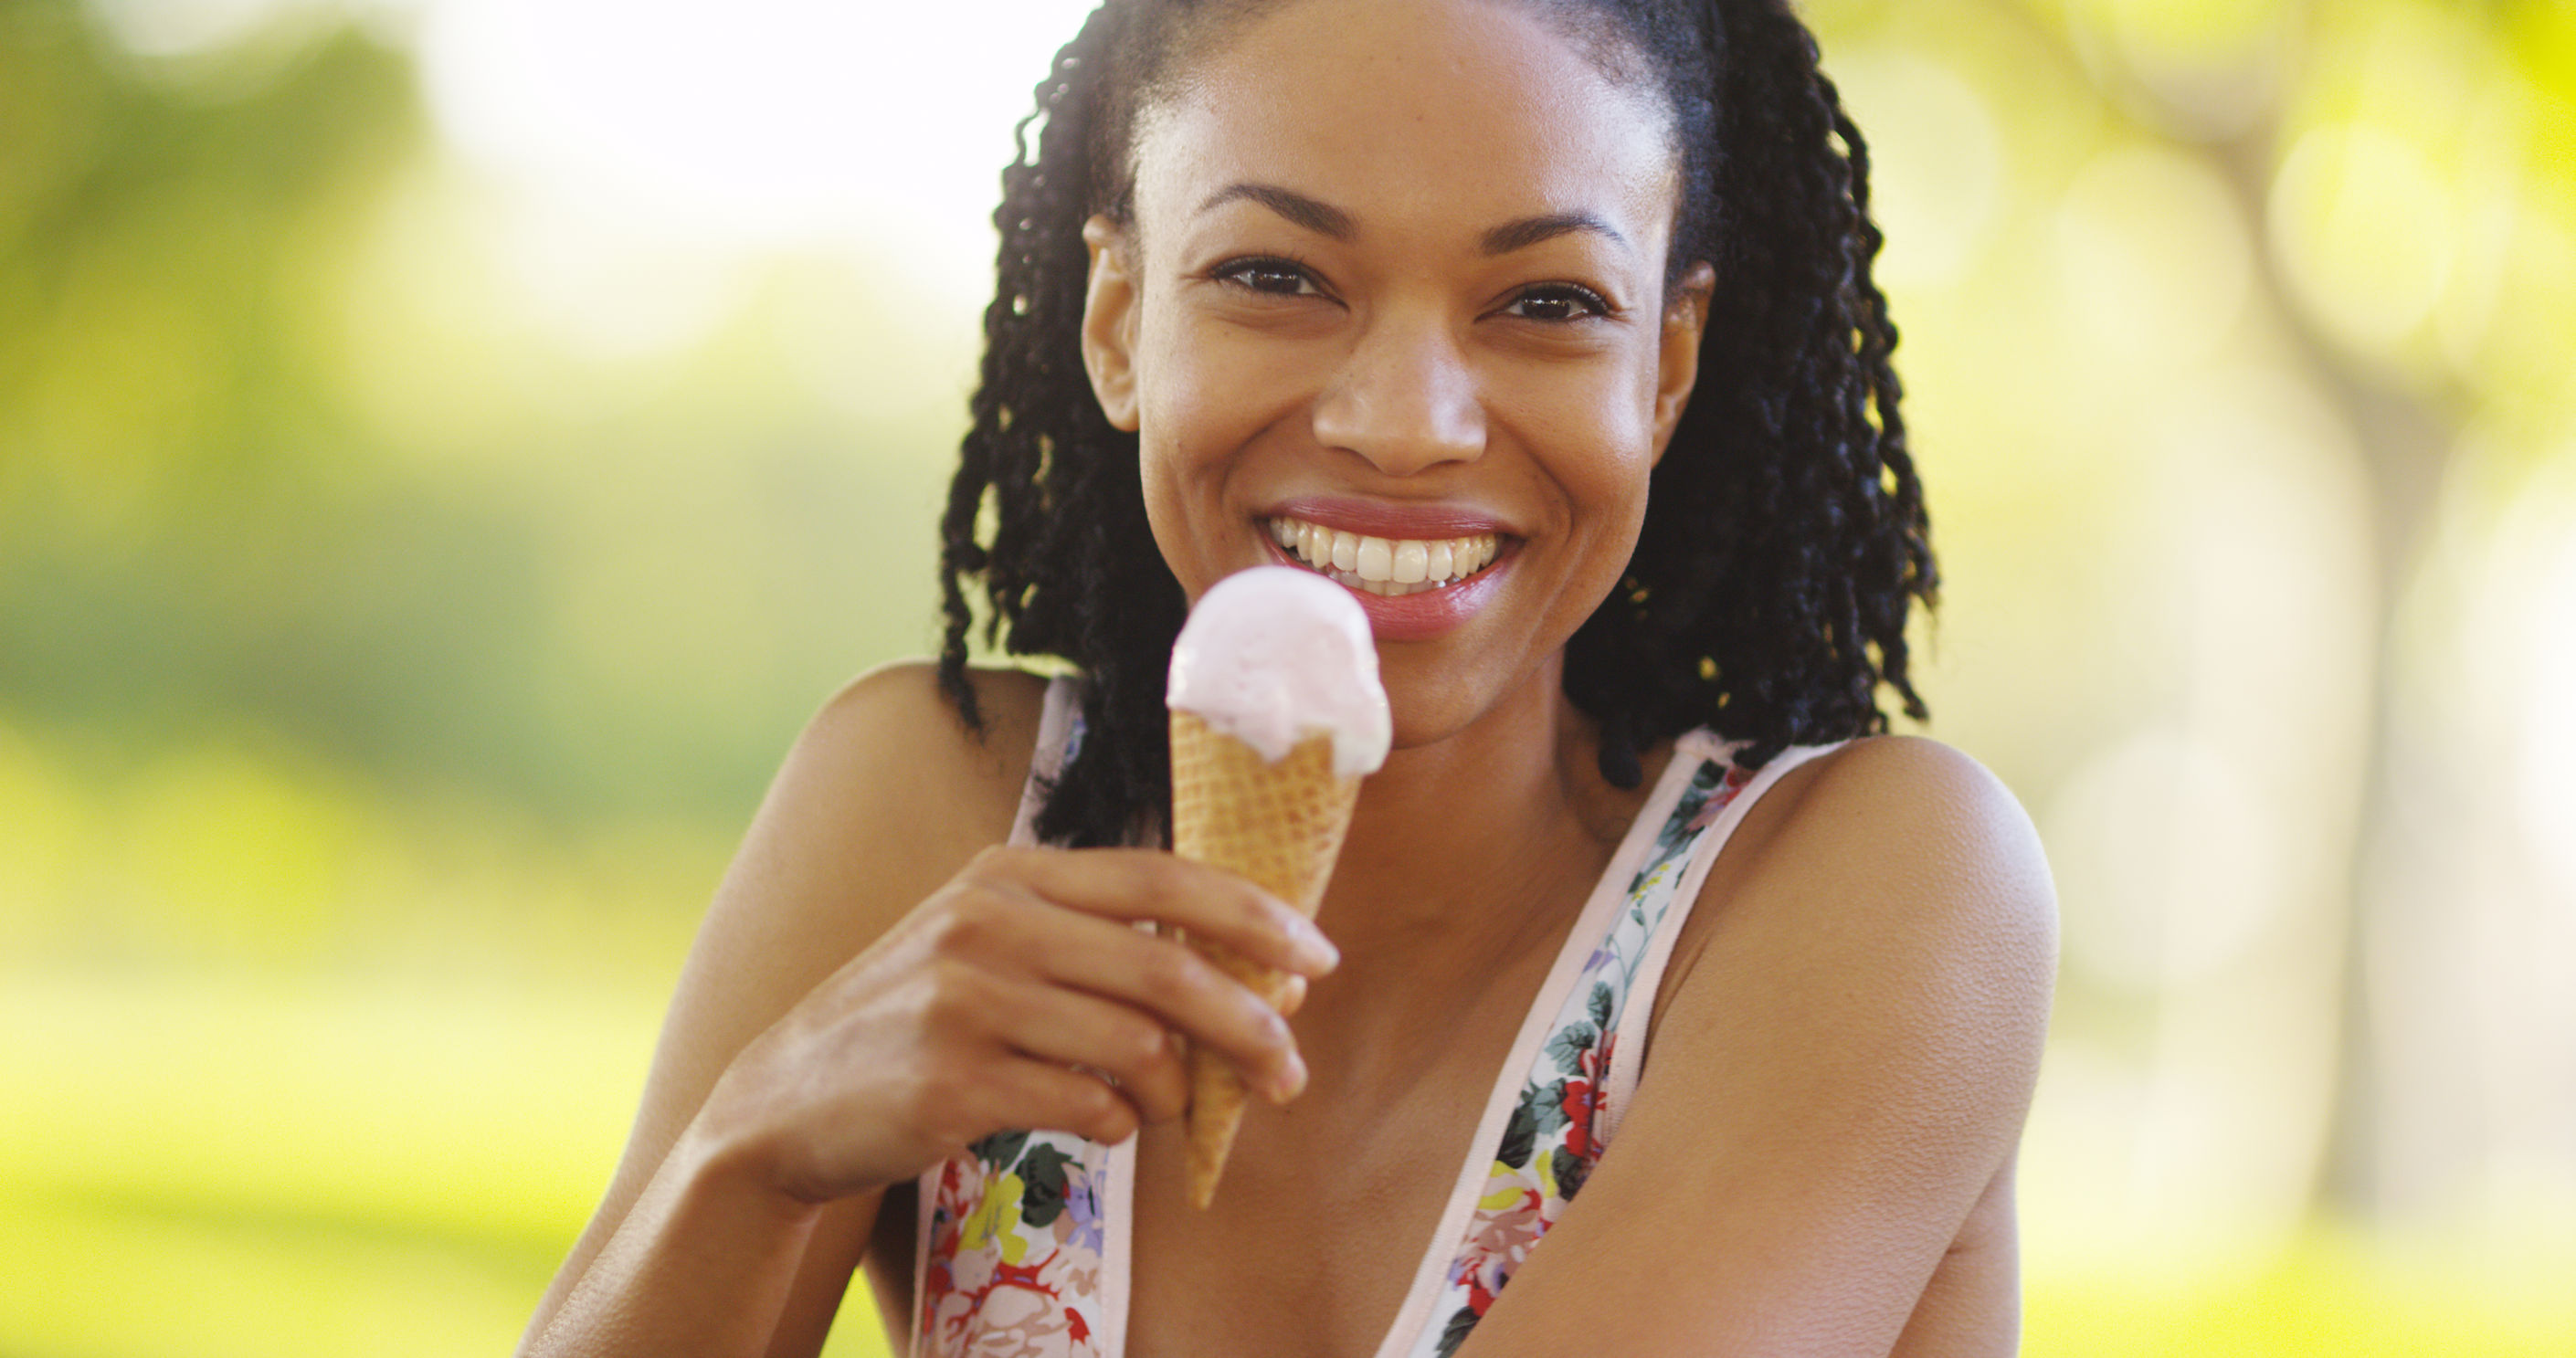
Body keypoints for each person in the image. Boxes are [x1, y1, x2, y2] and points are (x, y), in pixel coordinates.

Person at [516, 0, 2056, 1353]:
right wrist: (752, 1150)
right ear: (1120, 323)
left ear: (1665, 362)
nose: (1407, 423)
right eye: (1276, 274)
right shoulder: (931, 803)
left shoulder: (1875, 889)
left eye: (1546, 303)